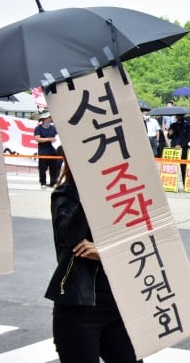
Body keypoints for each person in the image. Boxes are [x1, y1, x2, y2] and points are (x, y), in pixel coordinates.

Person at [45, 155, 141, 363]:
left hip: (119, 305)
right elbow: (69, 239)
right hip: (79, 307)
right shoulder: (66, 194)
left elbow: (143, 242)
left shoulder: (124, 194)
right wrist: (92, 193)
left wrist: (106, 251)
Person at [34, 111, 60, 189]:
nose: (49, 119)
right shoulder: (38, 128)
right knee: (42, 168)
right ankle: (43, 183)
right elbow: (37, 139)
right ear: (43, 119)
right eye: (47, 118)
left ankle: (53, 183)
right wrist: (48, 139)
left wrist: (55, 140)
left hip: (53, 151)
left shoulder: (53, 128)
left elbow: (58, 136)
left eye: (49, 118)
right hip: (43, 151)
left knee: (53, 168)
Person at [168, 114, 190, 184]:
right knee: (172, 167)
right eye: (177, 116)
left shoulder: (187, 125)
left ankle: (185, 182)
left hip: (183, 148)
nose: (178, 118)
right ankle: (171, 184)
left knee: (184, 166)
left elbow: (189, 137)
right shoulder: (173, 125)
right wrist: (169, 134)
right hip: (174, 148)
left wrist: (181, 145)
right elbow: (169, 137)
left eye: (180, 116)